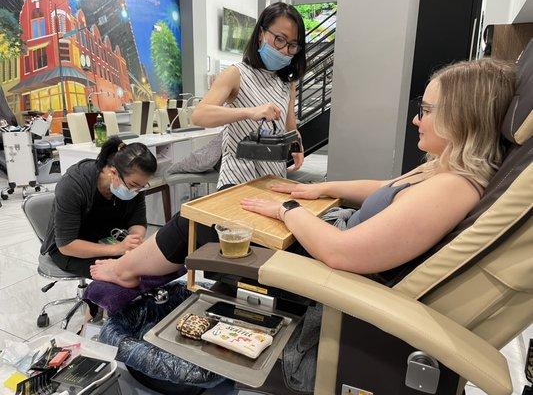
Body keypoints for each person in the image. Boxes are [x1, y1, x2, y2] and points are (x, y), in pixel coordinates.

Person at [90, 58, 515, 292]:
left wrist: (288, 208)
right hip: (325, 232)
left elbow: (343, 255)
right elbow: (390, 188)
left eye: (426, 110)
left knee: (198, 218)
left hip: (324, 264)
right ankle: (139, 267)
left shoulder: (452, 189)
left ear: (461, 117)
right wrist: (318, 189)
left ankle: (125, 270)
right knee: (216, 210)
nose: (416, 121)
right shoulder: (445, 171)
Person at [191, 1, 307, 189]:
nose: (285, 50)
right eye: (280, 39)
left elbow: (289, 126)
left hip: (273, 179)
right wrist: (249, 112)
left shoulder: (287, 83)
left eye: (292, 45)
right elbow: (199, 116)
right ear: (261, 33)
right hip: (237, 179)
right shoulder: (235, 74)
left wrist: (296, 146)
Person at [41, 137, 157, 279]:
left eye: (141, 186)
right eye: (134, 185)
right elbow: (66, 245)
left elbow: (137, 221)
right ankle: (97, 299)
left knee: (152, 267)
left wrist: (134, 240)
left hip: (109, 240)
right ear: (113, 172)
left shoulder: (133, 183)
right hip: (72, 250)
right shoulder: (73, 185)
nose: (137, 190)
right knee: (129, 278)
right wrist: (118, 249)